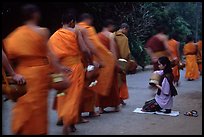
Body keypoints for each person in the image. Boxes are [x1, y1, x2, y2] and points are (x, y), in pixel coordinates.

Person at [3, 4, 68, 135]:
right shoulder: (42, 32)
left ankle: (21, 128)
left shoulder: (14, 36)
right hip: (39, 74)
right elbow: (51, 56)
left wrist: (13, 74)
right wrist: (60, 72)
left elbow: (9, 58)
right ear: (35, 15)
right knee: (38, 109)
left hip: (22, 74)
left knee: (24, 105)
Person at [48, 10, 92, 134]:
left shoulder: (55, 36)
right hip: (75, 67)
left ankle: (63, 117)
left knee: (62, 95)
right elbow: (84, 49)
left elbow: (50, 55)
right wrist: (90, 61)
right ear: (72, 22)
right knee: (74, 95)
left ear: (62, 22)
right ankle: (68, 122)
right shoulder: (76, 32)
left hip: (60, 70)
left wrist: (58, 68)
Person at [76, 13, 115, 118]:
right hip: (87, 62)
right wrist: (104, 58)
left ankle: (72, 113)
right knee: (90, 86)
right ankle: (90, 111)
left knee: (76, 89)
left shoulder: (71, 29)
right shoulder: (88, 29)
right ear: (88, 20)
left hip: (74, 62)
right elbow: (94, 47)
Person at [96, 19, 120, 113]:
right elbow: (113, 50)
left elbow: (95, 50)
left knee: (101, 84)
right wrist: (115, 62)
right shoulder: (111, 35)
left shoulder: (97, 36)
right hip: (109, 62)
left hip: (100, 62)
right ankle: (115, 106)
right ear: (110, 26)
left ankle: (101, 108)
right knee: (112, 84)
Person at [114, 23, 130, 106]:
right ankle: (120, 98)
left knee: (114, 80)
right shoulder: (124, 39)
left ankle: (115, 99)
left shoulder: (112, 35)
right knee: (122, 80)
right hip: (121, 62)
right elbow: (126, 53)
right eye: (127, 30)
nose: (127, 32)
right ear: (124, 28)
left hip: (112, 61)